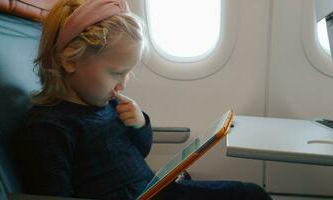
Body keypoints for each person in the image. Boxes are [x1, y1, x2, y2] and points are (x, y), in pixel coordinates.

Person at [14, 0, 272, 199]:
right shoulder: (48, 128)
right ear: (71, 61)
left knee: (248, 193)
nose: (123, 83)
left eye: (127, 73)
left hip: (154, 189)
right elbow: (52, 194)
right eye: (116, 72)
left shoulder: (111, 106)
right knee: (247, 195)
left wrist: (139, 125)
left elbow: (141, 150)